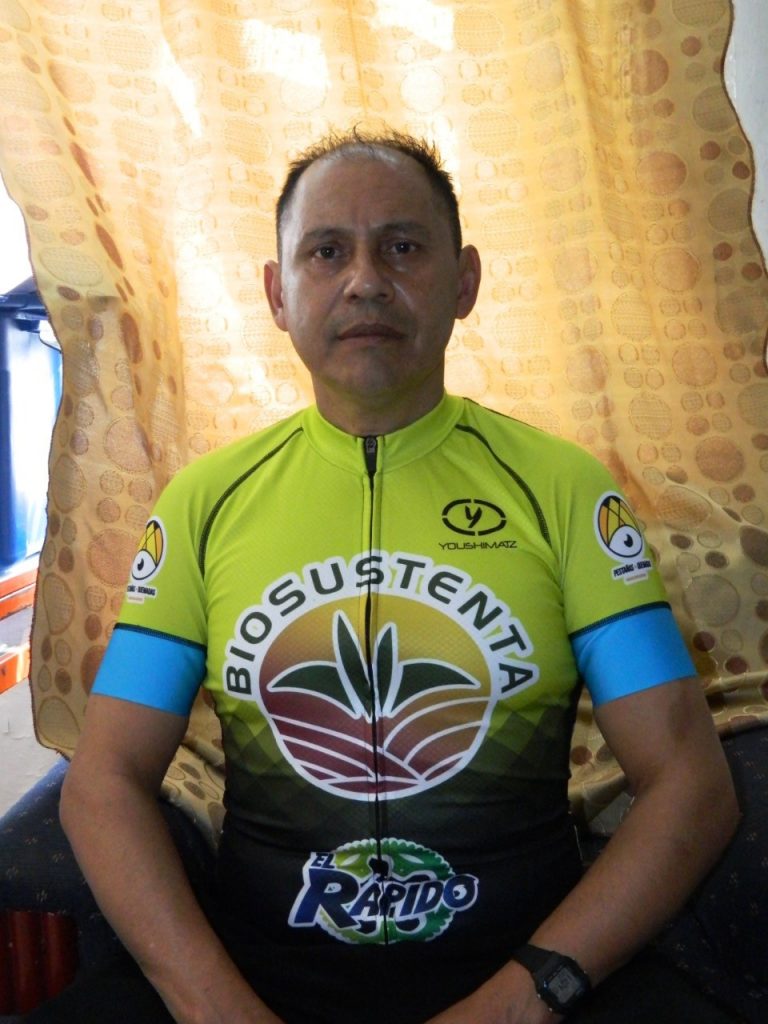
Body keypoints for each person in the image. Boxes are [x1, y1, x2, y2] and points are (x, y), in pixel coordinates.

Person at [55, 129, 740, 1024]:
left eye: (403, 247)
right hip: (259, 975)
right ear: (277, 294)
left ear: (464, 283)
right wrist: (220, 1012)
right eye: (326, 251)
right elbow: (104, 780)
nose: (365, 280)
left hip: (520, 970)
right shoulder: (202, 503)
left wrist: (521, 1001)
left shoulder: (566, 490)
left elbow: (689, 781)